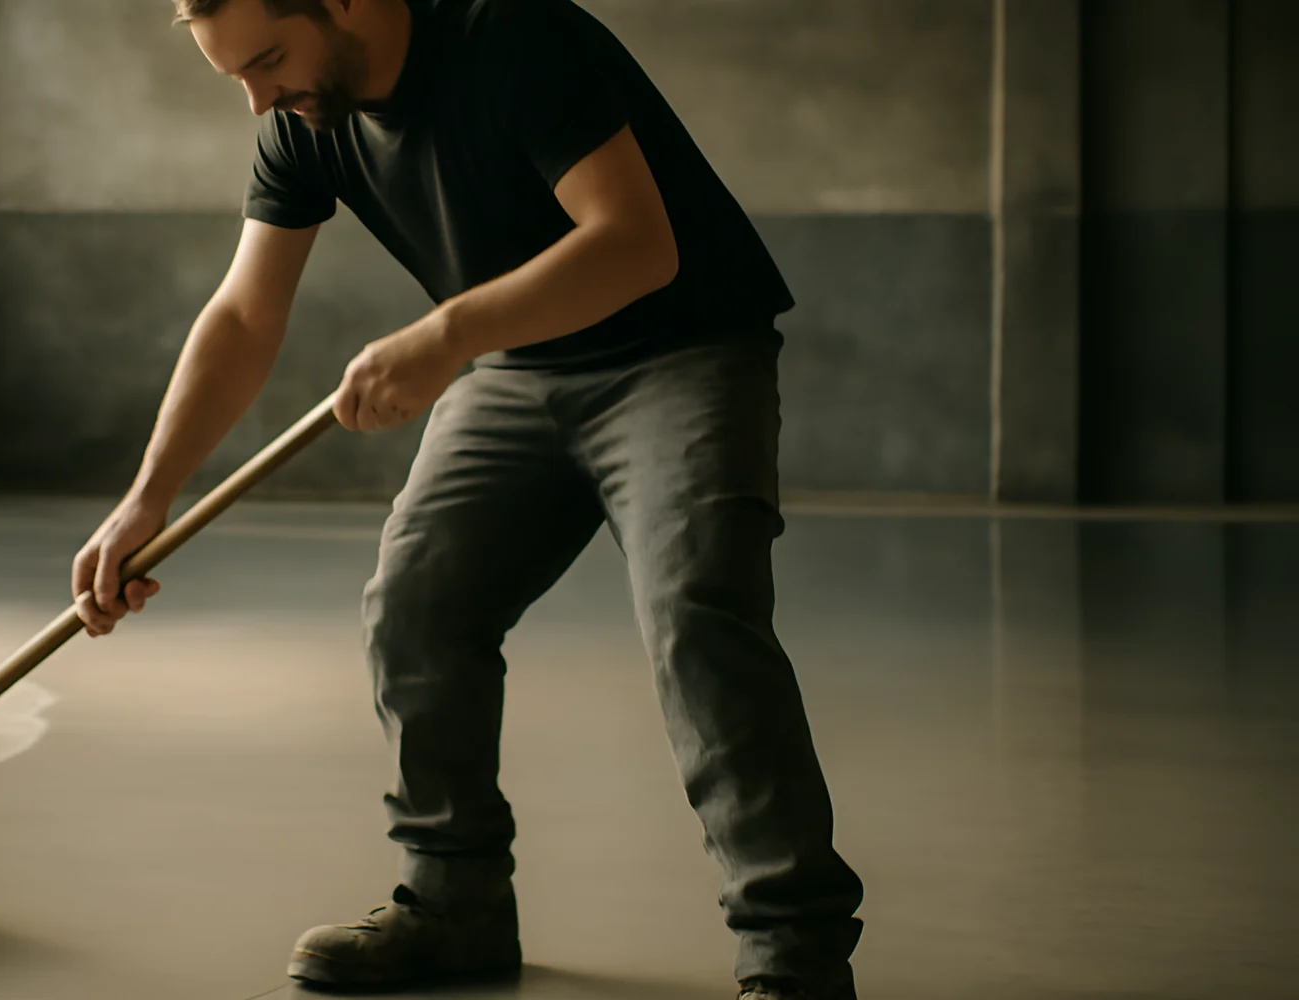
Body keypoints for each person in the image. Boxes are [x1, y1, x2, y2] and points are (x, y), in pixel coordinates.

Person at [69, 0, 865, 997]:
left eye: (267, 60)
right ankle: (454, 903)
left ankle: (792, 950)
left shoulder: (511, 38)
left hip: (681, 350)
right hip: (519, 368)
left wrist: (447, 336)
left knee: (695, 610)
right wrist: (147, 499)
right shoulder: (300, 121)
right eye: (234, 77)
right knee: (415, 607)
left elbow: (634, 244)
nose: (257, 101)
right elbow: (242, 312)